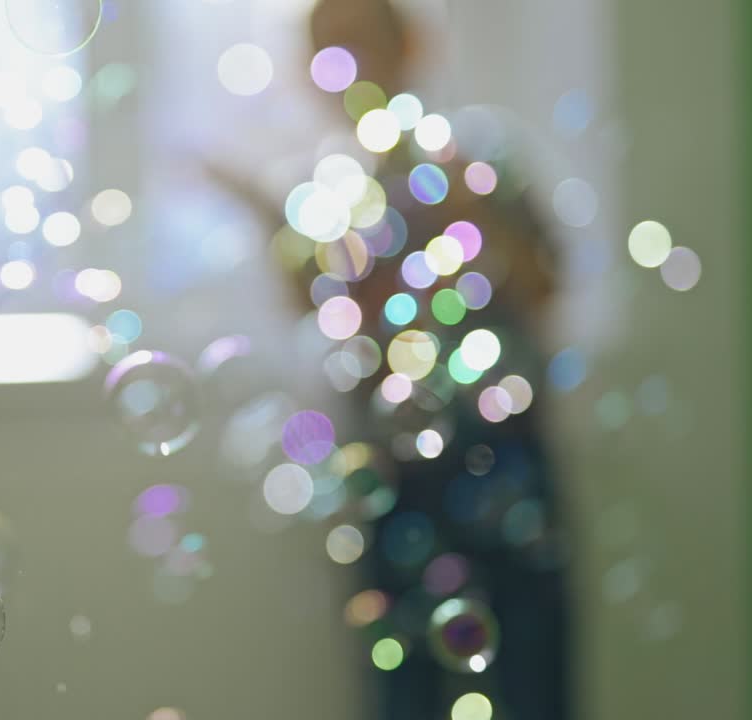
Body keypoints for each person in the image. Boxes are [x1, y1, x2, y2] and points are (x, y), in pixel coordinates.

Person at [211, 1, 572, 718]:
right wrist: (269, 221)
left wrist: (472, 208)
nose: (345, 67)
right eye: (327, 52)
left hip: (504, 459)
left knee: (534, 679)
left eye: (358, 44)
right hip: (391, 477)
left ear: (412, 47)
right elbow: (315, 309)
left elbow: (543, 285)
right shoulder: (326, 192)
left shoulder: (482, 154)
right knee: (404, 693)